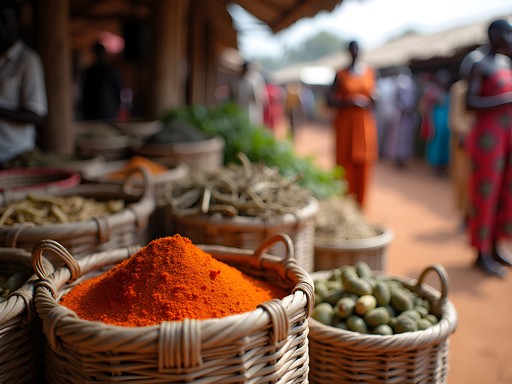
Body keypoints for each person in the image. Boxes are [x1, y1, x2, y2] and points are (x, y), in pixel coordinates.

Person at [465, 19, 512, 278]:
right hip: (487, 139)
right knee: (485, 193)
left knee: (505, 191)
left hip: (507, 136)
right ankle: (480, 253)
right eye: (508, 33)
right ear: (494, 34)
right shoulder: (479, 64)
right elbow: (469, 103)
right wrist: (507, 99)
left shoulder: (507, 64)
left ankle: (495, 247)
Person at [326, 40, 378, 209]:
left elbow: (375, 99)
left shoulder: (369, 72)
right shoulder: (341, 74)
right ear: (348, 52)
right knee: (345, 163)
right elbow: (329, 101)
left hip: (364, 126)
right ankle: (345, 206)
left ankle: (361, 206)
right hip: (346, 127)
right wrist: (350, 102)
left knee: (363, 164)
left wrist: (374, 99)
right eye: (352, 49)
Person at [0, 0, 47, 166]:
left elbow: (35, 114)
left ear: (17, 23)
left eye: (4, 19)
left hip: (15, 155)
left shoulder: (27, 61)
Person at [448, 46, 488, 231]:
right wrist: (464, 133)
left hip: (481, 139)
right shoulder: (459, 89)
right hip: (463, 140)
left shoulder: (482, 86)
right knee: (463, 178)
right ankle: (464, 214)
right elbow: (456, 117)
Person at [383, 66, 420, 168]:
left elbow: (414, 98)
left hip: (407, 114)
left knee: (406, 138)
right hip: (400, 114)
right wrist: (402, 108)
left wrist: (409, 109)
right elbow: (396, 97)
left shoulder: (411, 83)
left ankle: (403, 158)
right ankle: (397, 158)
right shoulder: (399, 83)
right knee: (397, 138)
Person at [81, 41, 124, 120]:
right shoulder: (111, 70)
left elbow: (84, 93)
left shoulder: (90, 71)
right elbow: (119, 90)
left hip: (93, 113)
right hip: (108, 112)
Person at [425, 69, 452, 176]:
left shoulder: (449, 93)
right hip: (437, 120)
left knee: (445, 144)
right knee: (436, 142)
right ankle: (435, 166)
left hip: (447, 121)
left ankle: (443, 166)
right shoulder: (433, 91)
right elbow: (428, 108)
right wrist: (430, 122)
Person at [233, 61, 268, 126]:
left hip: (253, 109)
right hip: (241, 109)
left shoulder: (255, 79)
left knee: (253, 124)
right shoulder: (239, 80)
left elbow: (260, 96)